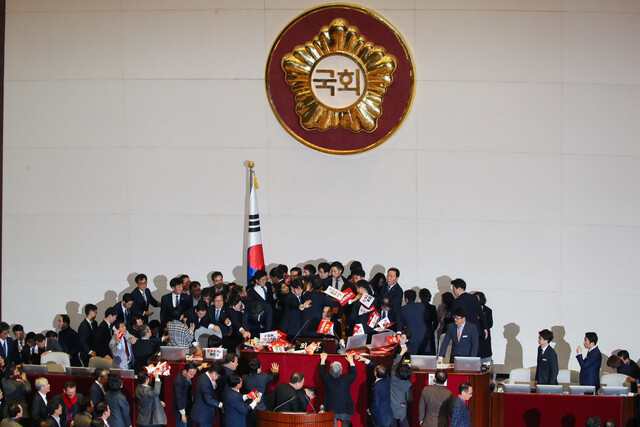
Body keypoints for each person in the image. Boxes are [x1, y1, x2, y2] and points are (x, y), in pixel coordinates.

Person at [319, 352, 357, 427]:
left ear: (330, 371)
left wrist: (323, 360)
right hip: (344, 410)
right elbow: (354, 374)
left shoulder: (326, 379)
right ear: (341, 371)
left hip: (330, 409)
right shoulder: (346, 379)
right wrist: (351, 362)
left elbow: (322, 372)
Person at [390, 340, 413, 427]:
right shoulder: (408, 385)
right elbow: (410, 399)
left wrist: (401, 352)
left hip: (391, 407)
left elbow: (395, 363)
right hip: (401, 408)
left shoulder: (393, 374)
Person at [398, 290, 427, 355]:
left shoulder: (403, 309)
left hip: (412, 339)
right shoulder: (423, 306)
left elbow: (401, 325)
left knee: (413, 360)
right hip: (425, 338)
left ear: (406, 299)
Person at [173, 363, 198, 427]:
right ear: (185, 371)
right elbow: (178, 398)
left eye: (194, 374)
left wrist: (201, 367)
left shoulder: (188, 373)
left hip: (189, 405)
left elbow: (194, 371)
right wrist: (183, 414)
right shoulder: (178, 382)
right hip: (181, 409)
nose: (192, 377)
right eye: (191, 374)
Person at [473, 291, 493, 363]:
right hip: (474, 336)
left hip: (484, 338)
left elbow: (490, 324)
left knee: (486, 360)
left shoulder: (487, 310)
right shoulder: (471, 310)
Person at [419, 288, 439, 355]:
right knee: (431, 352)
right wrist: (432, 329)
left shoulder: (418, 307)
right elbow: (436, 322)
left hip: (420, 331)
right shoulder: (432, 308)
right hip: (429, 331)